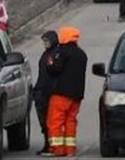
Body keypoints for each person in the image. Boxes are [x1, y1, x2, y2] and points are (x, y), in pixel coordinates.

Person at [45, 26, 88, 158]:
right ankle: (70, 150)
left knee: (55, 121)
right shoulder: (81, 54)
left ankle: (57, 149)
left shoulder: (62, 52)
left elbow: (55, 68)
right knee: (71, 121)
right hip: (77, 95)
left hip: (61, 94)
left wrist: (50, 62)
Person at [34, 30, 60, 155]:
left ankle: (51, 145)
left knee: (50, 121)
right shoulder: (46, 54)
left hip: (50, 92)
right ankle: (47, 144)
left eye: (47, 41)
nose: (45, 43)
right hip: (41, 91)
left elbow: (55, 73)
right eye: (44, 41)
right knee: (43, 122)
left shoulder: (56, 54)